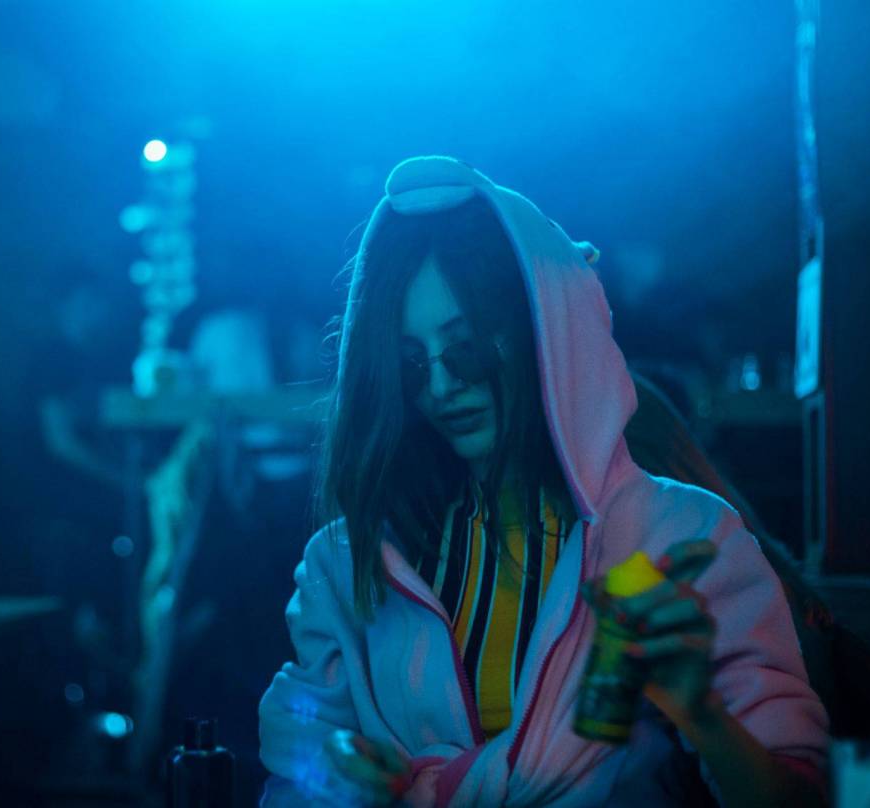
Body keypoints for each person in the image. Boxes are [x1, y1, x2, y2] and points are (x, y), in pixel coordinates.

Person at [257, 156, 829, 807]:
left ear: (550, 335)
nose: (441, 386)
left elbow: (803, 796)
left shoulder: (678, 537)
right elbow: (295, 752)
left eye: (468, 347)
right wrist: (335, 776)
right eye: (411, 362)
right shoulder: (350, 560)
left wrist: (701, 713)